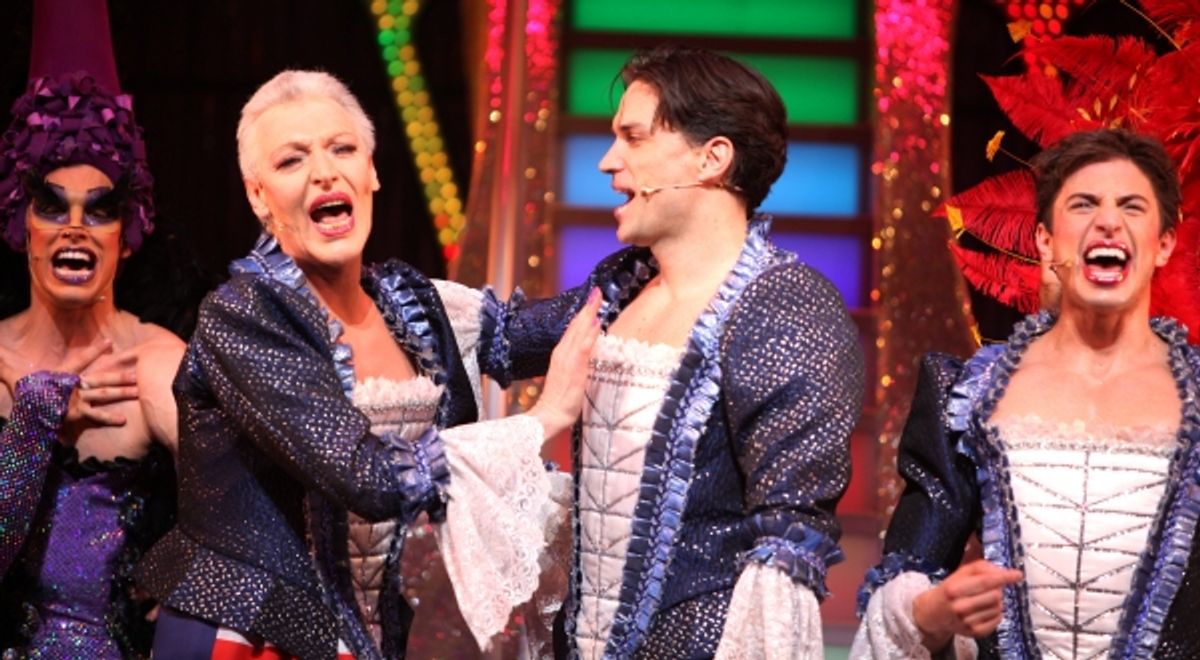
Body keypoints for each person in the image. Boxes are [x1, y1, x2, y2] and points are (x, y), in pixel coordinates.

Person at [135, 69, 598, 660]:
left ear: (372, 170)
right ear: (258, 196)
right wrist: (543, 419)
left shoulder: (409, 303)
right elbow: (369, 479)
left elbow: (523, 331)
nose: (325, 171)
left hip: (362, 639)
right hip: (250, 636)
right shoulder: (246, 314)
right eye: (291, 160)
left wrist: (652, 259)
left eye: (342, 148)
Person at [553, 46, 864, 659]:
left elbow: (787, 529)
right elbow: (500, 333)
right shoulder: (620, 287)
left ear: (712, 158)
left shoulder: (786, 307)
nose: (608, 162)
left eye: (633, 138)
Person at [852, 128, 1199, 659]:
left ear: (1164, 244)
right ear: (1045, 241)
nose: (1108, 221)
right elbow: (909, 574)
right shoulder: (967, 395)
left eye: (1131, 206)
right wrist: (936, 609)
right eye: (1083, 205)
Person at [0, 0, 185, 657]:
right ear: (21, 223)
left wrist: (196, 564)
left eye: (99, 209)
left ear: (126, 234)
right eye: (53, 204)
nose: (75, 226)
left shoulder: (155, 362)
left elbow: (250, 502)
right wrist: (37, 422)